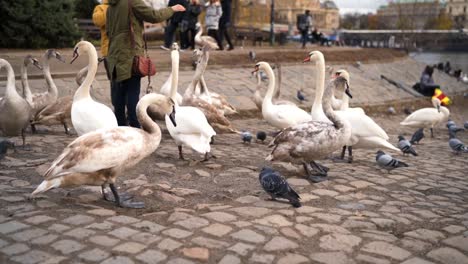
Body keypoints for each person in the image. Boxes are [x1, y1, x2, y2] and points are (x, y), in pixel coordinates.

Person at [106, 0, 185, 127]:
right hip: (130, 54)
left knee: (119, 94)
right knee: (132, 92)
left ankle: (120, 126)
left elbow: (109, 31)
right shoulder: (132, 2)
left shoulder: (110, 7)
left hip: (114, 55)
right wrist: (172, 9)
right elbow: (154, 16)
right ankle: (135, 126)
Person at [92, 0, 110, 79]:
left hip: (125, 50)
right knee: (114, 81)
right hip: (108, 50)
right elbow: (98, 21)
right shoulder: (101, 8)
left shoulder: (125, 5)